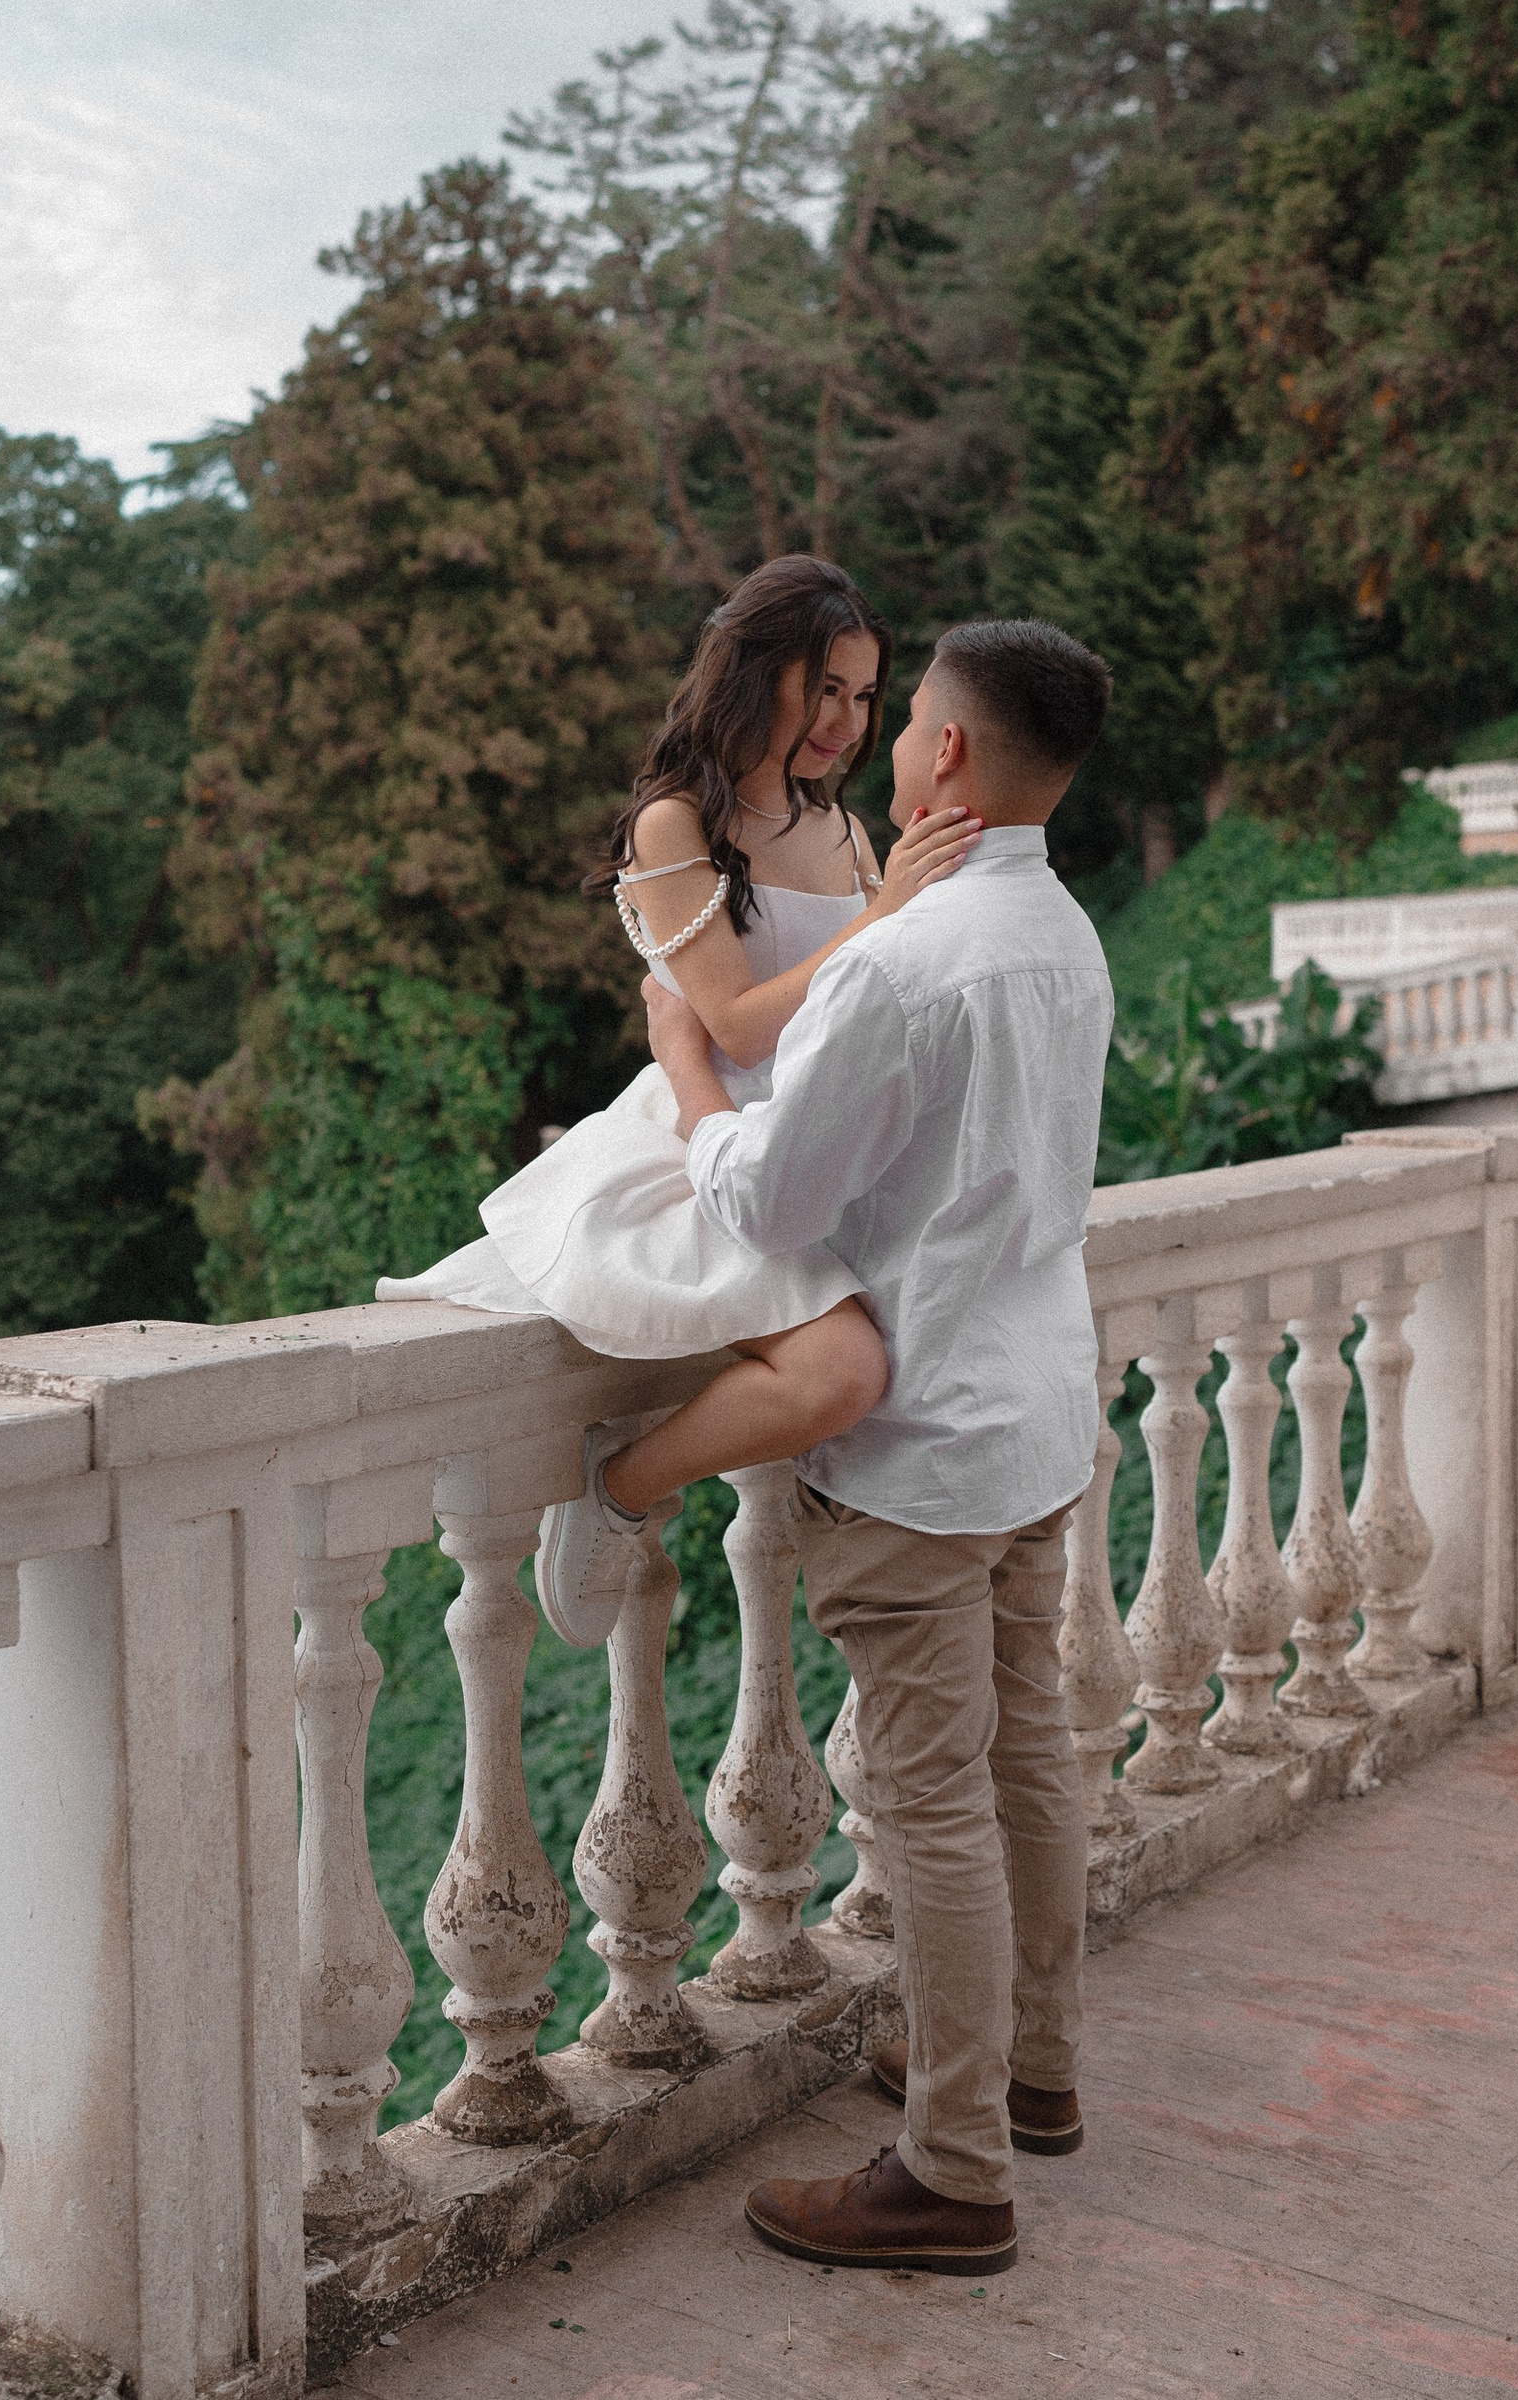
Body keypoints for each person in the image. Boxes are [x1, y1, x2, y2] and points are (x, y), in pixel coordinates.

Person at [643, 617, 1115, 2277]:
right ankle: (1032, 2069)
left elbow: (770, 1201)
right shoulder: (1065, 934)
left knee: (932, 1804)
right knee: (1026, 1753)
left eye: (907, 713)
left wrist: (687, 1075)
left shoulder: (905, 965)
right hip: (1036, 1414)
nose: (892, 734)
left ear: (951, 753)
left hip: (924, 1444)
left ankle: (956, 2167)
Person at [375, 555, 980, 1641]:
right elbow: (736, 1023)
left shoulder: (843, 829)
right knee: (842, 1369)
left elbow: (871, 1002)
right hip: (709, 1136)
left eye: (863, 696)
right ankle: (619, 1487)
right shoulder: (675, 823)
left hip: (826, 1127)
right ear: (757, 673)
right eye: (824, 688)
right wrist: (885, 910)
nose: (846, 723)